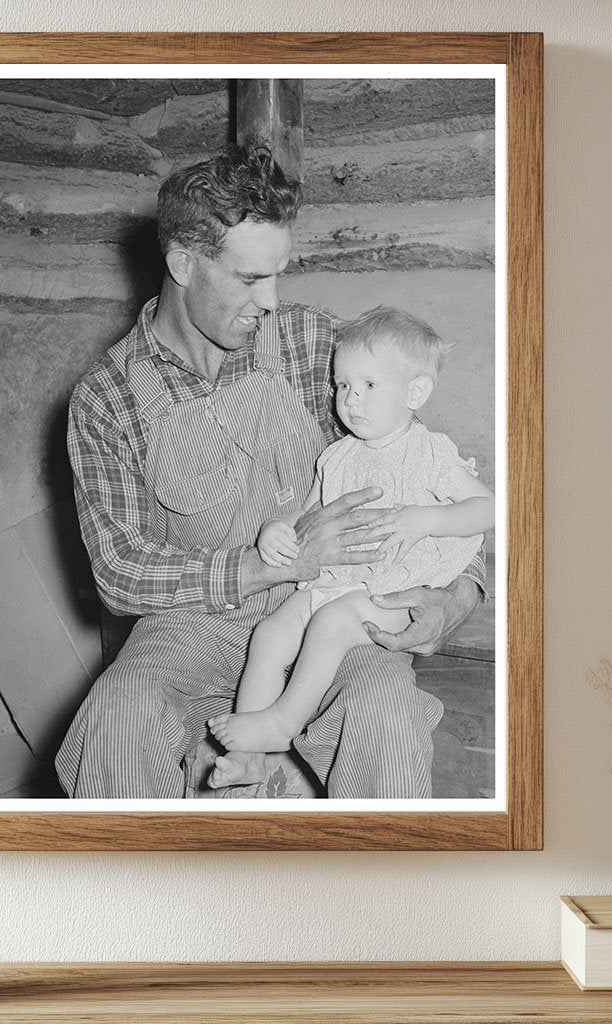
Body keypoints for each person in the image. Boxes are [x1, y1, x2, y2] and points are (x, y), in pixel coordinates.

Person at [54, 145, 486, 799]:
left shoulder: (316, 345)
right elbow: (120, 572)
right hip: (193, 624)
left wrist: (458, 597)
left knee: (385, 715)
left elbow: (433, 469)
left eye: (280, 273)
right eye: (252, 279)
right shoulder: (108, 397)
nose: (273, 299)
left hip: (331, 614)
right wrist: (269, 565)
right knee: (116, 715)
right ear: (184, 263)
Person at [207, 307, 494, 787]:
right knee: (272, 633)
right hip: (339, 581)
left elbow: (488, 508)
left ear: (415, 392)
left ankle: (283, 721)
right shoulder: (337, 455)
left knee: (332, 623)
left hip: (398, 592)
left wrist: (428, 519)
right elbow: (311, 513)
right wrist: (279, 528)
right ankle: (252, 753)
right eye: (342, 386)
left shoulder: (430, 454)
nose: (350, 400)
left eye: (369, 386)